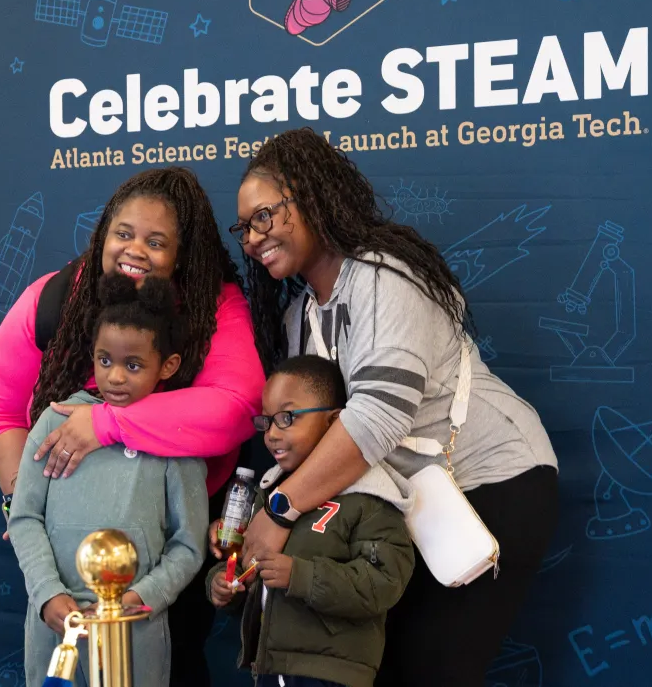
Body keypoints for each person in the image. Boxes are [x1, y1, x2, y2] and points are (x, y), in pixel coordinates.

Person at [230, 128, 560, 686]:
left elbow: (375, 418)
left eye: (265, 216)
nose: (253, 239)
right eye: (244, 227)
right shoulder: (299, 317)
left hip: (490, 484)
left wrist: (280, 510)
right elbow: (315, 434)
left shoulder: (387, 275)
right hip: (402, 509)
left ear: (311, 198)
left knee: (434, 669)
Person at [0, 166, 265, 686]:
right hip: (59, 574)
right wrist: (31, 495)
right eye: (124, 234)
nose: (135, 250)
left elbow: (236, 405)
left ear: (182, 256)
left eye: (156, 242)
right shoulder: (55, 298)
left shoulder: (210, 305)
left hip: (156, 583)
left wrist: (106, 424)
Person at [9, 272, 207, 687]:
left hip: (134, 627)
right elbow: (25, 518)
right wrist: (47, 594)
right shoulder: (54, 421)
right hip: (56, 624)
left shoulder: (176, 439)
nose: (116, 377)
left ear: (166, 365)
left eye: (133, 365)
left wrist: (138, 600)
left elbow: (188, 545)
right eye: (105, 360)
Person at [207, 355, 415, 687]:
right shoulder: (270, 492)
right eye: (266, 421)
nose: (271, 434)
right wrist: (226, 584)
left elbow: (385, 581)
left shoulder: (370, 496)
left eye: (287, 418)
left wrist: (299, 575)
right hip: (270, 665)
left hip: (331, 673)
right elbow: (247, 561)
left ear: (335, 422)